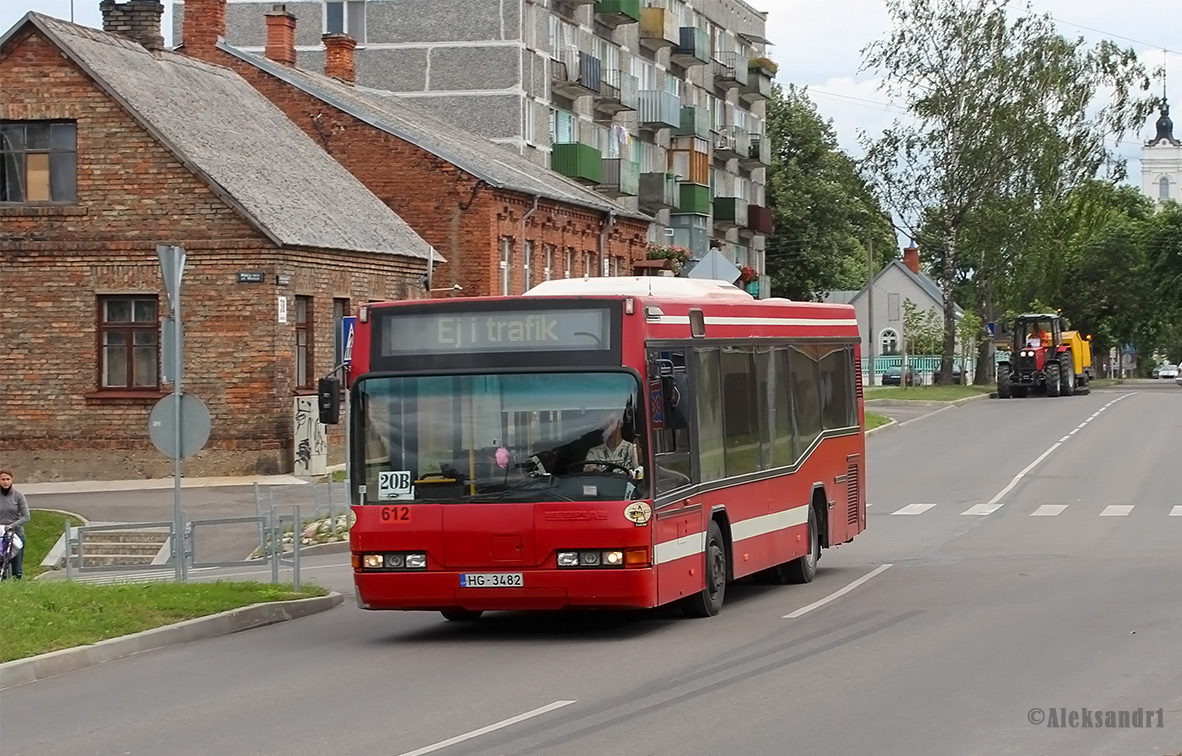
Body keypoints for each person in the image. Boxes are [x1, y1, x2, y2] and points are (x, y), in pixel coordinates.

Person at [0, 469, 31, 580]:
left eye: (8, 479)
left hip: (16, 534)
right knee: (1, 565)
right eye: (3, 479)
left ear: (12, 480)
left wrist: (12, 526)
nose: (5, 482)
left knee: (16, 567)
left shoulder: (18, 496)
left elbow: (26, 516)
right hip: (1, 535)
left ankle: (17, 584)